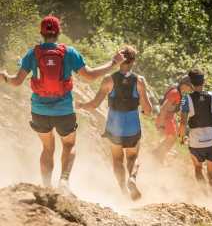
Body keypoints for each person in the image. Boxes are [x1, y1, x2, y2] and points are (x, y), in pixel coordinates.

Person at [0, 15, 125, 190]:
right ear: (58, 32)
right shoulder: (69, 52)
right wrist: (113, 62)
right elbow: (89, 76)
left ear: (41, 32)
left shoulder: (33, 53)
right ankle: (64, 181)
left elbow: (16, 81)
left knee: (47, 147)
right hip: (64, 111)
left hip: (39, 111)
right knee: (69, 144)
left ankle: (46, 187)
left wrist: (5, 77)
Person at [76, 45, 152, 200]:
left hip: (114, 126)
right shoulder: (139, 81)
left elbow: (94, 105)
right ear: (133, 61)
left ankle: (123, 191)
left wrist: (81, 105)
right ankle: (132, 179)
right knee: (133, 157)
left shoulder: (108, 79)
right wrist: (144, 110)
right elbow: (148, 109)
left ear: (119, 60)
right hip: (132, 126)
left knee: (117, 160)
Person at [152, 75, 193, 163]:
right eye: (191, 87)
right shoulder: (175, 93)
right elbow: (164, 108)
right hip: (164, 118)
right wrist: (161, 125)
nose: (191, 90)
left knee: (172, 138)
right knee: (171, 137)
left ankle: (158, 155)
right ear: (185, 85)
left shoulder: (178, 92)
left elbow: (174, 109)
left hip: (168, 118)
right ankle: (157, 155)